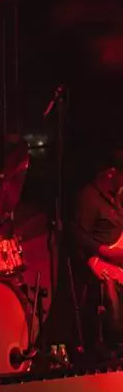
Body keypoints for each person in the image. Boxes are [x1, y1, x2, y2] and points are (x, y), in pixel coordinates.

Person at [72, 145, 123, 357]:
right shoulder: (90, 197)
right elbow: (77, 234)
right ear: (111, 173)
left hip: (118, 261)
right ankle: (114, 344)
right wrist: (104, 251)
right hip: (102, 263)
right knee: (109, 292)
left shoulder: (116, 198)